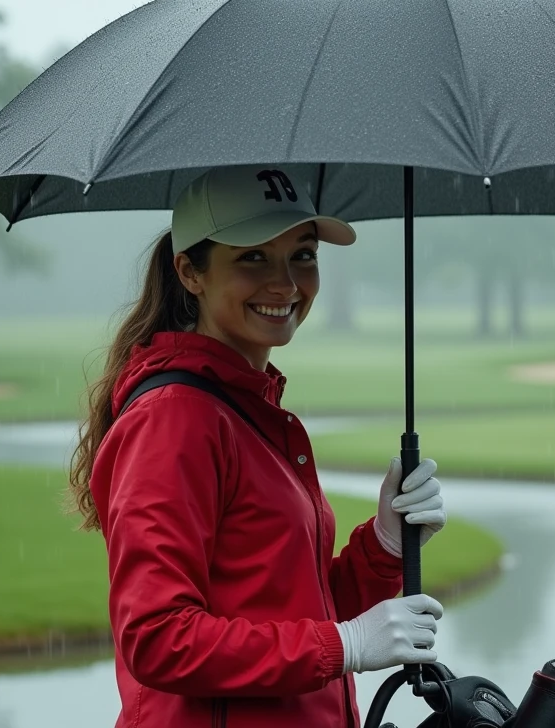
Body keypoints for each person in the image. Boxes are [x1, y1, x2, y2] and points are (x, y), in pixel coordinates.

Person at [68, 165, 449, 728]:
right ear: (189, 272)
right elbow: (158, 638)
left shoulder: (249, 407)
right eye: (253, 257)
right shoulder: (176, 418)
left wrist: (385, 547)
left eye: (303, 254)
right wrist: (343, 646)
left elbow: (298, 608)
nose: (287, 284)